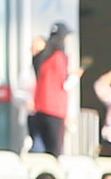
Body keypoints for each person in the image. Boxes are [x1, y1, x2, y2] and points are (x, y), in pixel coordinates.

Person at [25, 27, 74, 156]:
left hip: (40, 108)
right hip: (55, 109)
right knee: (54, 151)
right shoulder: (59, 57)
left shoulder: (42, 58)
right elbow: (63, 83)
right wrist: (74, 77)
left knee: (39, 148)